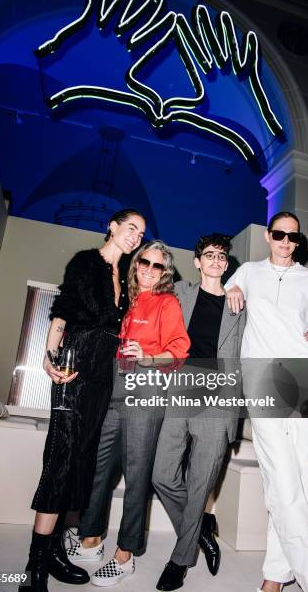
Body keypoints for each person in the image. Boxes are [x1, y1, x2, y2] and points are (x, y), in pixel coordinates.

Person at [20, 209, 146, 592]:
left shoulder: (124, 279)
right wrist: (49, 354)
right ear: (112, 225)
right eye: (130, 227)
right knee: (61, 460)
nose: (135, 236)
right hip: (74, 372)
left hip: (102, 380)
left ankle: (56, 549)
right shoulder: (86, 263)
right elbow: (61, 314)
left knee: (81, 464)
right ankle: (34, 567)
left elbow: (117, 334)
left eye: (141, 232)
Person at [224, 211, 308, 592]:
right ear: (267, 236)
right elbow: (226, 292)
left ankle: (275, 574)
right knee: (281, 478)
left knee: (300, 481)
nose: (286, 242)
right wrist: (233, 289)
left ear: (299, 241)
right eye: (279, 235)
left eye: (293, 237)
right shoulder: (246, 272)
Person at [67, 240, 190, 587]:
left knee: (137, 475)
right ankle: (90, 538)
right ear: (136, 264)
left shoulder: (167, 302)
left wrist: (148, 356)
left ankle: (125, 555)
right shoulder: (126, 298)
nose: (150, 269)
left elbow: (179, 351)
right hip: (113, 387)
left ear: (166, 273)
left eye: (158, 266)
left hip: (146, 387)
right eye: (145, 262)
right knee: (99, 467)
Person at [152, 234, 246, 591]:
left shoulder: (241, 304)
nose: (217, 261)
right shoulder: (180, 292)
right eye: (210, 255)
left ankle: (179, 559)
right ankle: (199, 527)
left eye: (222, 256)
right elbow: (147, 299)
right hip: (181, 388)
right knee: (162, 474)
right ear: (197, 261)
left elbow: (268, 333)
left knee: (200, 481)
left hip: (219, 396)